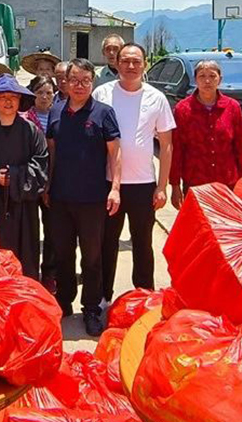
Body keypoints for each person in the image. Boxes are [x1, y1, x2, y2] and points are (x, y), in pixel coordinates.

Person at [92, 43, 175, 300]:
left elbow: (166, 144)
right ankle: (103, 298)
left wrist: (162, 187)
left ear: (145, 64)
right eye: (125, 61)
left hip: (143, 184)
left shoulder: (156, 98)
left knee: (142, 244)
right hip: (108, 184)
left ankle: (144, 298)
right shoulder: (102, 93)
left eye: (136, 61)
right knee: (106, 243)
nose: (130, 66)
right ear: (116, 63)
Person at [47, 58, 121, 336]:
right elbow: (51, 151)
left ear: (92, 83)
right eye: (74, 80)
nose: (79, 86)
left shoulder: (104, 113)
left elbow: (115, 154)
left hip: (93, 199)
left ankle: (91, 308)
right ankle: (64, 301)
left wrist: (115, 188)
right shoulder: (56, 112)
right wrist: (47, 186)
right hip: (60, 197)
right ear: (65, 82)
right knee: (62, 253)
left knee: (92, 257)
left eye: (85, 81)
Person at [0, 74, 50, 280]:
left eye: (13, 97)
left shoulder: (31, 130)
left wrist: (15, 176)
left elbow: (41, 165)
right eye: (2, 97)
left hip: (24, 206)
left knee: (25, 257)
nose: (8, 102)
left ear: (20, 100)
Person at [170, 59, 242, 207]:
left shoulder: (232, 107)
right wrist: (174, 184)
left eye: (212, 76)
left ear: (220, 79)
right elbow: (177, 149)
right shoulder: (183, 109)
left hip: (227, 183)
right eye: (202, 76)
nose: (207, 81)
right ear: (195, 80)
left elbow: (241, 146)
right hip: (195, 183)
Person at [21, 74, 58, 292]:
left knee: (52, 230)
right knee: (30, 229)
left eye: (49, 93)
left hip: (53, 181)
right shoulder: (23, 118)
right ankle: (30, 272)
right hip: (30, 182)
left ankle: (50, 273)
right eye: (40, 92)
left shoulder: (59, 116)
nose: (44, 97)